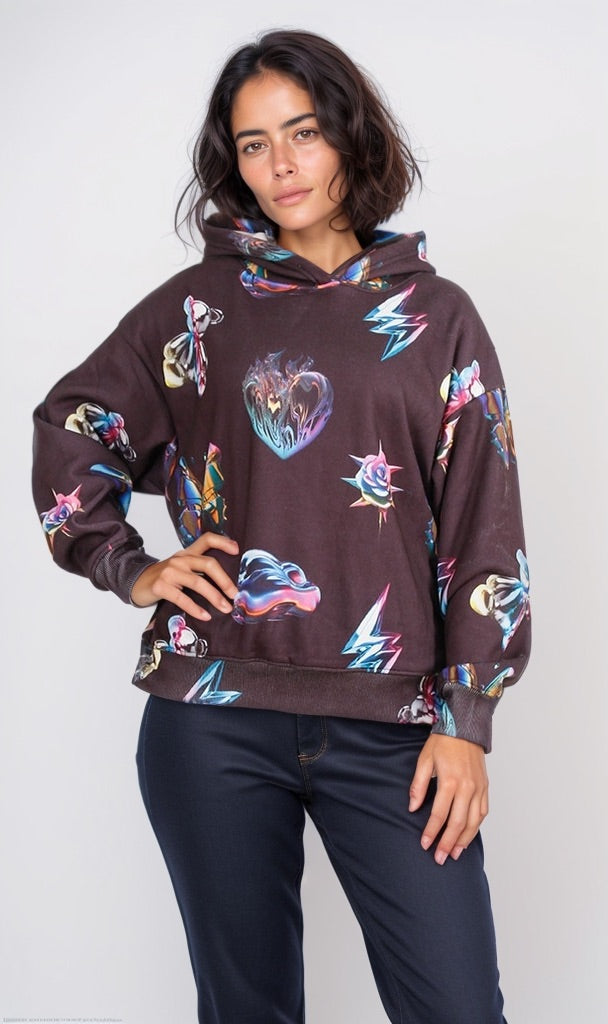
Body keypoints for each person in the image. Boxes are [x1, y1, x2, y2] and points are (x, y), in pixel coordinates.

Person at [32, 28, 531, 1024]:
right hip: (211, 717)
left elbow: (485, 524)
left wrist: (466, 719)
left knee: (458, 1007)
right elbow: (73, 425)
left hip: (394, 726)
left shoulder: (437, 318)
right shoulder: (197, 310)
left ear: (349, 135)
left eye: (302, 132)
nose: (282, 165)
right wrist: (131, 566)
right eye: (254, 144)